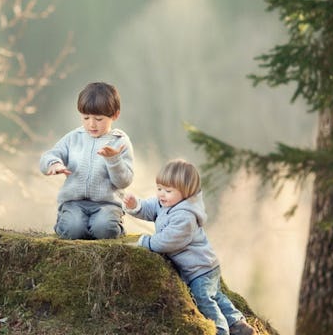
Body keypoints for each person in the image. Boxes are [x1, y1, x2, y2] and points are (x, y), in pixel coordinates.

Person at [123, 159, 256, 335]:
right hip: (205, 265)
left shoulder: (185, 216)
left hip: (200, 269)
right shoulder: (166, 203)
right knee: (215, 295)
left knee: (204, 299)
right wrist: (136, 205)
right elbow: (150, 208)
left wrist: (144, 242)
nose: (161, 194)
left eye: (168, 190)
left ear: (185, 193)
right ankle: (238, 323)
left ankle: (220, 329)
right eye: (159, 188)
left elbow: (167, 241)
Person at [40, 82, 134, 240]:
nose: (91, 124)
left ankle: (114, 226)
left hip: (107, 205)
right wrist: (53, 163)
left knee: (103, 229)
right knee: (73, 229)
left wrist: (113, 160)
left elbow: (124, 181)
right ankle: (66, 223)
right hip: (74, 203)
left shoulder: (120, 141)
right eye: (86, 117)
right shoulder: (73, 137)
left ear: (115, 115)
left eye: (99, 119)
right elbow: (49, 155)